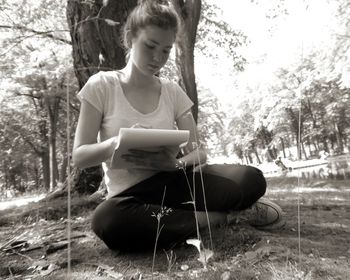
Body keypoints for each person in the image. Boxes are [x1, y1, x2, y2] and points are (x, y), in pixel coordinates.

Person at [72, 0, 285, 252]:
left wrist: (176, 164)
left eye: (165, 50)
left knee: (251, 178)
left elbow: (199, 152)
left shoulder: (172, 91)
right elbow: (80, 156)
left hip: (176, 181)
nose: (157, 58)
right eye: (150, 46)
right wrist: (115, 143)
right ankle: (220, 218)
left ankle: (181, 220)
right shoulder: (101, 86)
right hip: (132, 197)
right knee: (107, 220)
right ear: (130, 38)